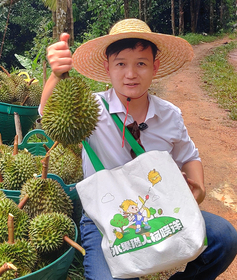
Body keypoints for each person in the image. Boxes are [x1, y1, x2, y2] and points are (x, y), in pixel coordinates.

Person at [40, 18, 237, 280]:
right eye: (121, 64)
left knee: (224, 238)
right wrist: (57, 74)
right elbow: (48, 113)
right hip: (105, 219)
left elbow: (189, 155)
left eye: (141, 63)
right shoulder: (92, 109)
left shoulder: (169, 115)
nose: (131, 74)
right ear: (107, 67)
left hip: (157, 208)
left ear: (154, 67)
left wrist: (198, 189)